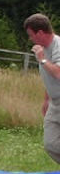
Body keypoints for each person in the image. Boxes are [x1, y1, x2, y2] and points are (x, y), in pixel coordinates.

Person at [24, 13, 60, 164]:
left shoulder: (57, 45)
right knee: (50, 143)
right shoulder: (42, 49)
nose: (30, 39)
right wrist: (46, 99)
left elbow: (58, 72)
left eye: (31, 35)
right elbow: (49, 76)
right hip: (54, 102)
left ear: (40, 32)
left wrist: (42, 59)